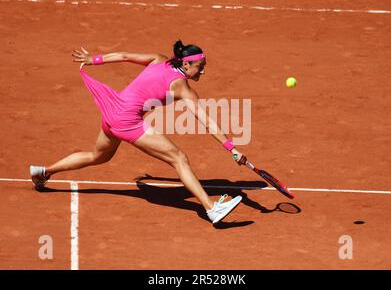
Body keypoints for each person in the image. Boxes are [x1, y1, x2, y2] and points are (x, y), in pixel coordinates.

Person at [30, 40, 244, 224]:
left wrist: (93, 59)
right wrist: (231, 148)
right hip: (127, 121)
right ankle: (211, 208)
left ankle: (44, 172)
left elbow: (123, 55)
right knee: (179, 158)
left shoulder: (159, 59)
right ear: (187, 64)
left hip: (111, 111)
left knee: (98, 156)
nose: (203, 71)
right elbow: (206, 121)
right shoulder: (183, 88)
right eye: (200, 66)